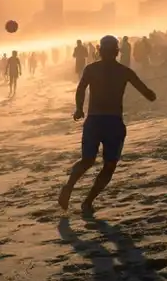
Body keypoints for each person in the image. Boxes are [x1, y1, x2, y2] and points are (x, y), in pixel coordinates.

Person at [58, 35, 156, 215]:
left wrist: (79, 109)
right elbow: (146, 92)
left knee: (87, 160)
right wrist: (150, 94)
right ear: (117, 52)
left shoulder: (91, 69)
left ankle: (69, 187)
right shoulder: (124, 71)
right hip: (113, 122)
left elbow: (81, 89)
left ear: (99, 51)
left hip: (94, 120)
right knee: (109, 165)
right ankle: (88, 202)